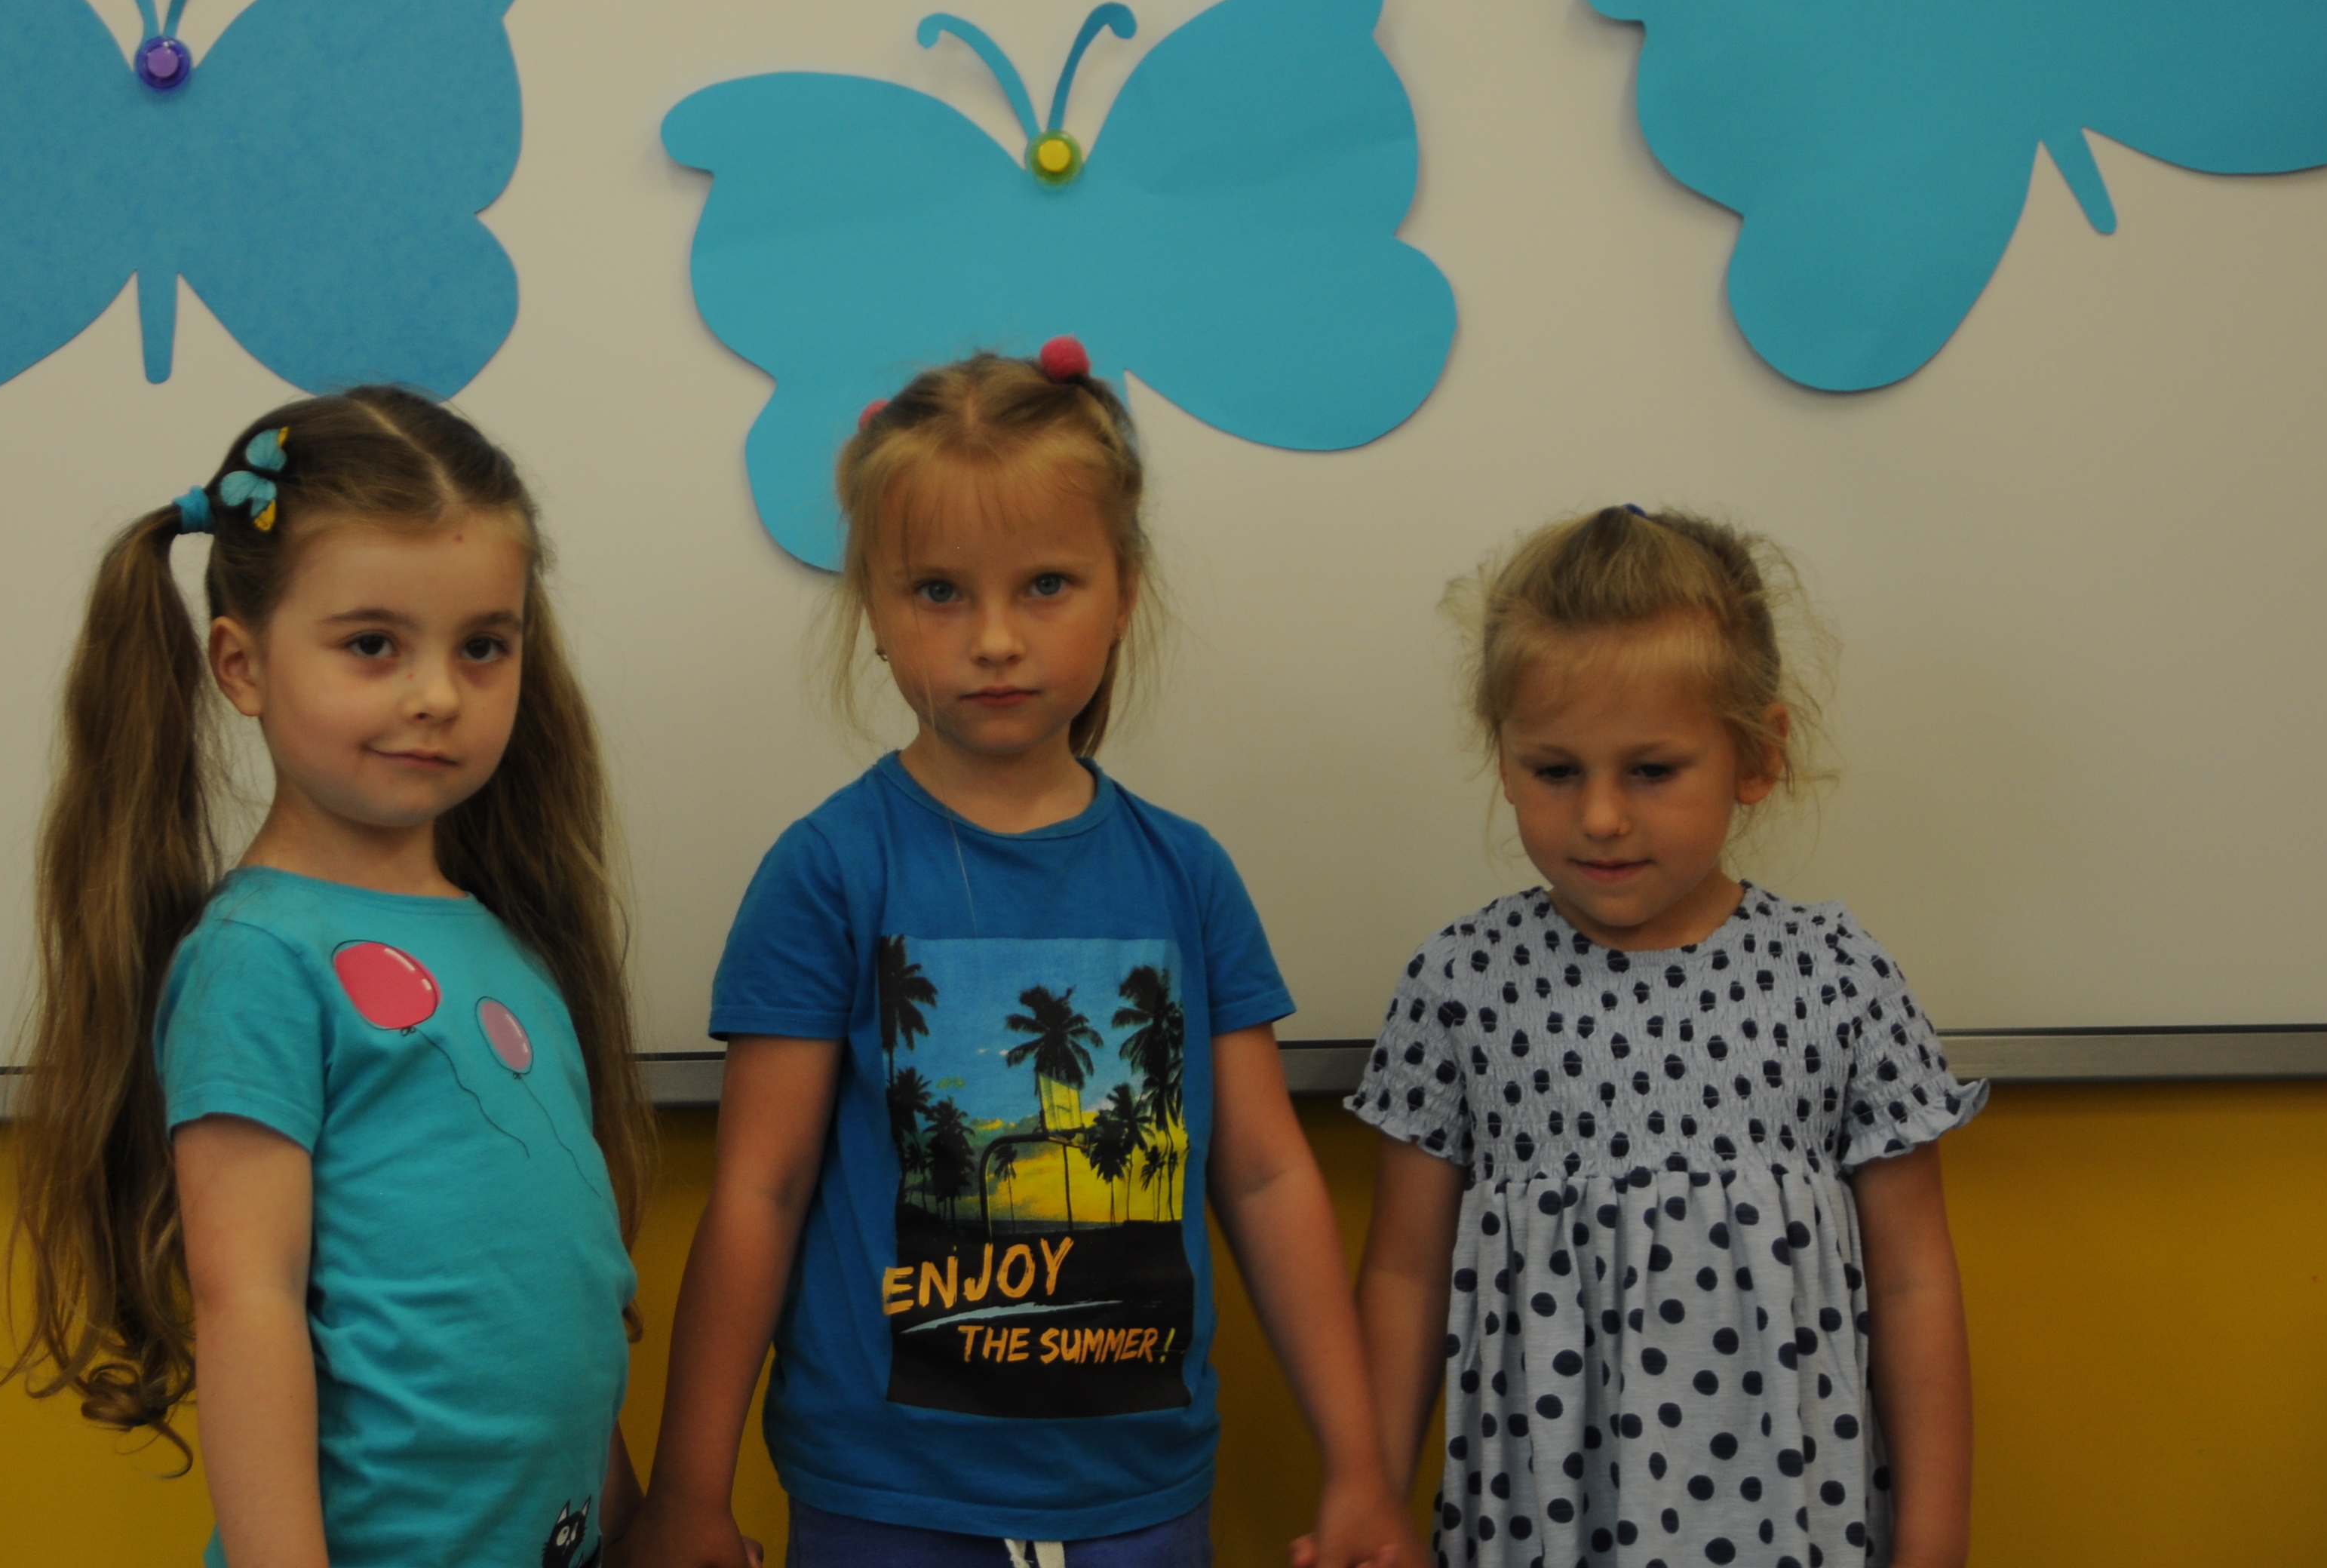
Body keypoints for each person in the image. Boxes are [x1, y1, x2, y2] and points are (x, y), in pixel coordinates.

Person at [631, 342, 1423, 1568]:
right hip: (886, 1502)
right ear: (874, 609)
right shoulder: (828, 872)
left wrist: (1362, 1470)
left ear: (1125, 589)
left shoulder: (1188, 876)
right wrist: (689, 1493)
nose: (994, 638)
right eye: (939, 591)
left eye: (1046, 583)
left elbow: (1268, 1179)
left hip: (1142, 1501)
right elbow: (759, 1192)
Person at [5, 386, 651, 1568]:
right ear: (242, 664)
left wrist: (633, 1520)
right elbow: (247, 1304)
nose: (438, 694)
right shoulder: (260, 958)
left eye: (483, 646)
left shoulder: (507, 942)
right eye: (372, 645)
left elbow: (559, 1305)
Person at [1348, 507, 1978, 1568]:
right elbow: (1406, 1275)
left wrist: (1933, 1539)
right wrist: (1364, 1492)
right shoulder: (1460, 983)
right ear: (1502, 756)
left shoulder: (1838, 978)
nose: (1600, 817)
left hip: (1793, 1530)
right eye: (1555, 770)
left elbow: (1915, 1281)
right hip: (1543, 1528)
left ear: (1757, 755)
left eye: (1651, 770)